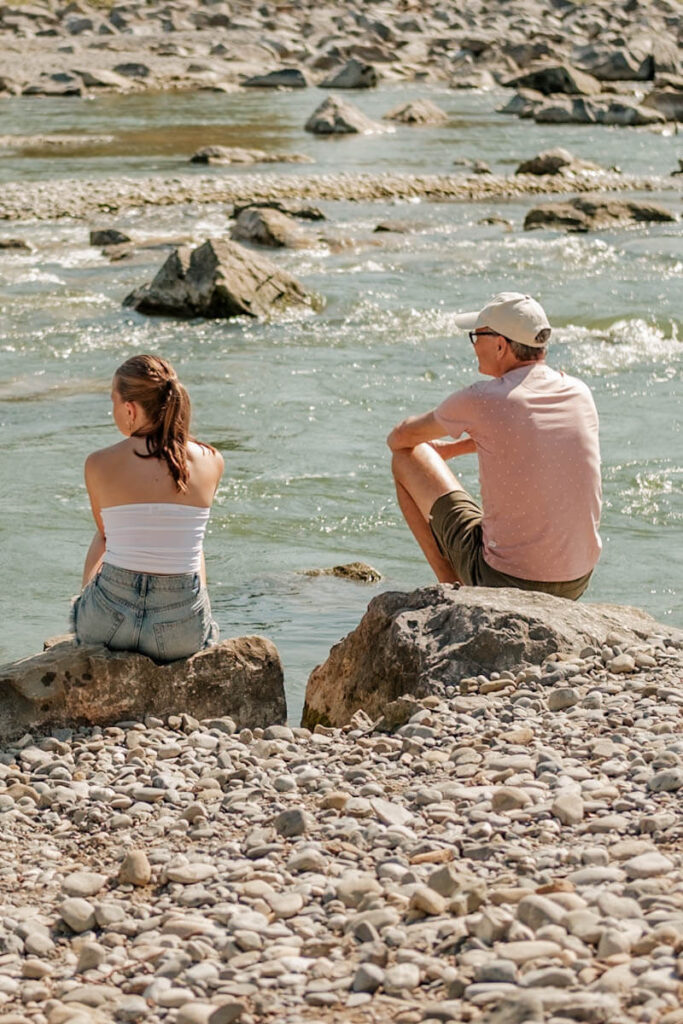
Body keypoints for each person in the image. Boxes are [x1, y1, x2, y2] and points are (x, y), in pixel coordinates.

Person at [387, 292, 601, 600]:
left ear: (501, 345)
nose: (474, 346)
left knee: (406, 458)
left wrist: (435, 441)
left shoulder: (483, 398)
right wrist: (453, 450)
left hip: (505, 580)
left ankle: (453, 592)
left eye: (477, 336)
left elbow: (400, 438)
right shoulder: (578, 392)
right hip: (576, 581)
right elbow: (529, 437)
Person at [71, 354, 224, 661]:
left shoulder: (99, 463)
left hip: (107, 624)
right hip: (179, 631)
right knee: (193, 543)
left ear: (130, 409)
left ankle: (87, 602)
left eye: (113, 401)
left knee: (105, 535)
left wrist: (87, 598)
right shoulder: (211, 460)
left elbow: (105, 538)